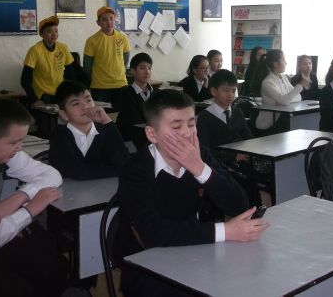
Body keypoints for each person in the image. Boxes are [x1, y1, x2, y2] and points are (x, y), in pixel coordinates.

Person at [115, 90, 268, 297]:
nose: (187, 133)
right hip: (147, 266)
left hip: (195, 250)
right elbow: (153, 234)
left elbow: (239, 204)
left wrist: (199, 168)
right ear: (152, 134)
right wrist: (225, 231)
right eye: (176, 127)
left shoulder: (199, 155)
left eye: (191, 124)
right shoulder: (134, 170)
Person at [0, 98, 68, 297]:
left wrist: (20, 196)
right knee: (19, 288)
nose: (19, 148)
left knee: (54, 267)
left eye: (21, 141)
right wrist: (28, 211)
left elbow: (52, 175)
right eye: (14, 142)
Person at [196, 69, 261, 206]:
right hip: (219, 166)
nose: (230, 95)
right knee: (242, 188)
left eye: (233, 90)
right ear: (213, 91)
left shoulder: (237, 112)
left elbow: (249, 138)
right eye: (226, 90)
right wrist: (233, 157)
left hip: (241, 162)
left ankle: (255, 211)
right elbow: (204, 151)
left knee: (255, 183)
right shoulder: (204, 118)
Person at [49, 80, 129, 180]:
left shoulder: (106, 130)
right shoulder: (59, 134)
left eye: (88, 100)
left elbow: (125, 163)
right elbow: (77, 172)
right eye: (76, 103)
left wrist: (107, 121)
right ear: (64, 114)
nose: (85, 107)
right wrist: (118, 169)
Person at [21, 16, 74, 106]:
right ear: (42, 34)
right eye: (49, 31)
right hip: (43, 95)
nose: (54, 34)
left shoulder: (63, 48)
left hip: (59, 92)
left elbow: (70, 73)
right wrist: (34, 100)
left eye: (56, 31)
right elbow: (25, 80)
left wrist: (70, 92)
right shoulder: (35, 50)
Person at [253, 49, 310, 134]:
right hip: (268, 125)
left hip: (281, 121)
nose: (286, 63)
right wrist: (300, 85)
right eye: (283, 60)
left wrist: (284, 101)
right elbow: (285, 100)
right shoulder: (267, 82)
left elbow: (299, 97)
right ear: (275, 64)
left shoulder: (284, 77)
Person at [83, 6, 131, 106]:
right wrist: (88, 86)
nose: (109, 22)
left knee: (122, 113)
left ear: (115, 20)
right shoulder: (92, 40)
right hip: (100, 87)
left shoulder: (123, 38)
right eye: (104, 20)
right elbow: (87, 67)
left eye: (111, 18)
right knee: (102, 114)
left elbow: (125, 60)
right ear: (98, 23)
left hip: (121, 84)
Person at [116, 53, 161, 150]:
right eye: (143, 68)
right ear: (133, 71)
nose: (147, 72)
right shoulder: (125, 93)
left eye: (149, 68)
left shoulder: (157, 93)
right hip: (131, 139)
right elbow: (134, 121)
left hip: (153, 138)